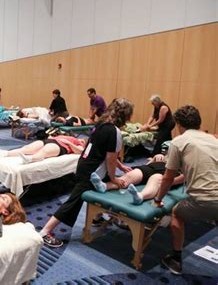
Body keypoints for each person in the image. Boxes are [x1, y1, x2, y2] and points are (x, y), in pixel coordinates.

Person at [38, 98, 134, 248]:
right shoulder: (114, 132)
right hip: (92, 171)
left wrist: (120, 168)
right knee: (73, 202)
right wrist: (114, 178)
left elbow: (106, 152)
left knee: (107, 186)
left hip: (84, 164)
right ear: (125, 116)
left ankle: (97, 216)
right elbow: (110, 158)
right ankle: (45, 232)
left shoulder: (101, 125)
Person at [151, 105, 218, 275]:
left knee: (177, 214)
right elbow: (198, 171)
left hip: (205, 201)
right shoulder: (213, 139)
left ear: (178, 124)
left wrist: (158, 200)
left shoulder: (179, 141)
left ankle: (175, 259)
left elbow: (166, 178)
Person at [89, 154, 184, 205]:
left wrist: (169, 182)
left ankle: (140, 196)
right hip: (155, 166)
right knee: (133, 174)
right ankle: (104, 186)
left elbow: (186, 176)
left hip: (171, 172)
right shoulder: (173, 149)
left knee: (156, 179)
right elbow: (150, 162)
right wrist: (156, 157)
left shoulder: (187, 160)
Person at [0, 135, 86, 163]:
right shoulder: (72, 137)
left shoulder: (78, 144)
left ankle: (30, 159)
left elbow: (80, 152)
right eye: (82, 140)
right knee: (26, 148)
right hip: (50, 140)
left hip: (61, 146)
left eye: (83, 141)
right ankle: (4, 153)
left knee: (44, 151)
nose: (81, 140)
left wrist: (69, 143)